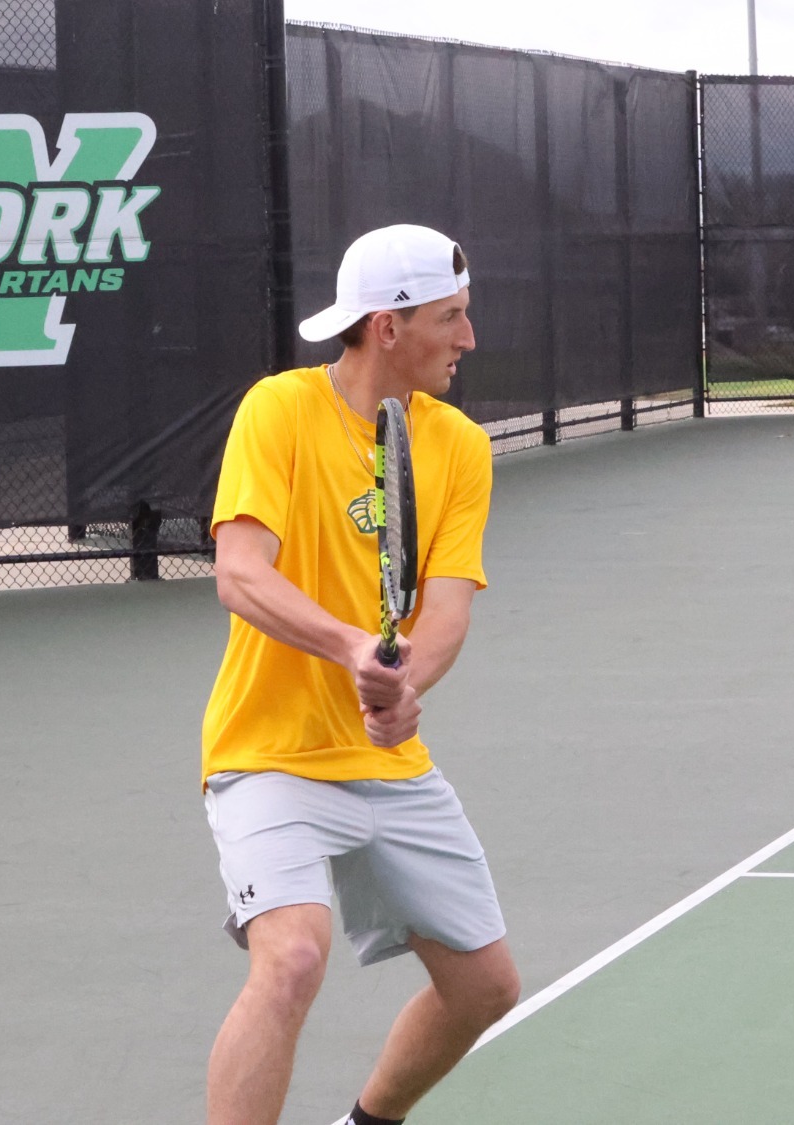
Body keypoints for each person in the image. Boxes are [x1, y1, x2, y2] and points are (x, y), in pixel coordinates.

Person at [201, 224, 520, 1125]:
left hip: (387, 767)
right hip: (269, 752)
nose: (468, 338)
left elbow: (446, 612)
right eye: (451, 319)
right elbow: (239, 573)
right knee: (294, 957)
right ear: (388, 326)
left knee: (486, 986)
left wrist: (403, 684)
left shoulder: (459, 446)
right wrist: (351, 649)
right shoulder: (279, 410)